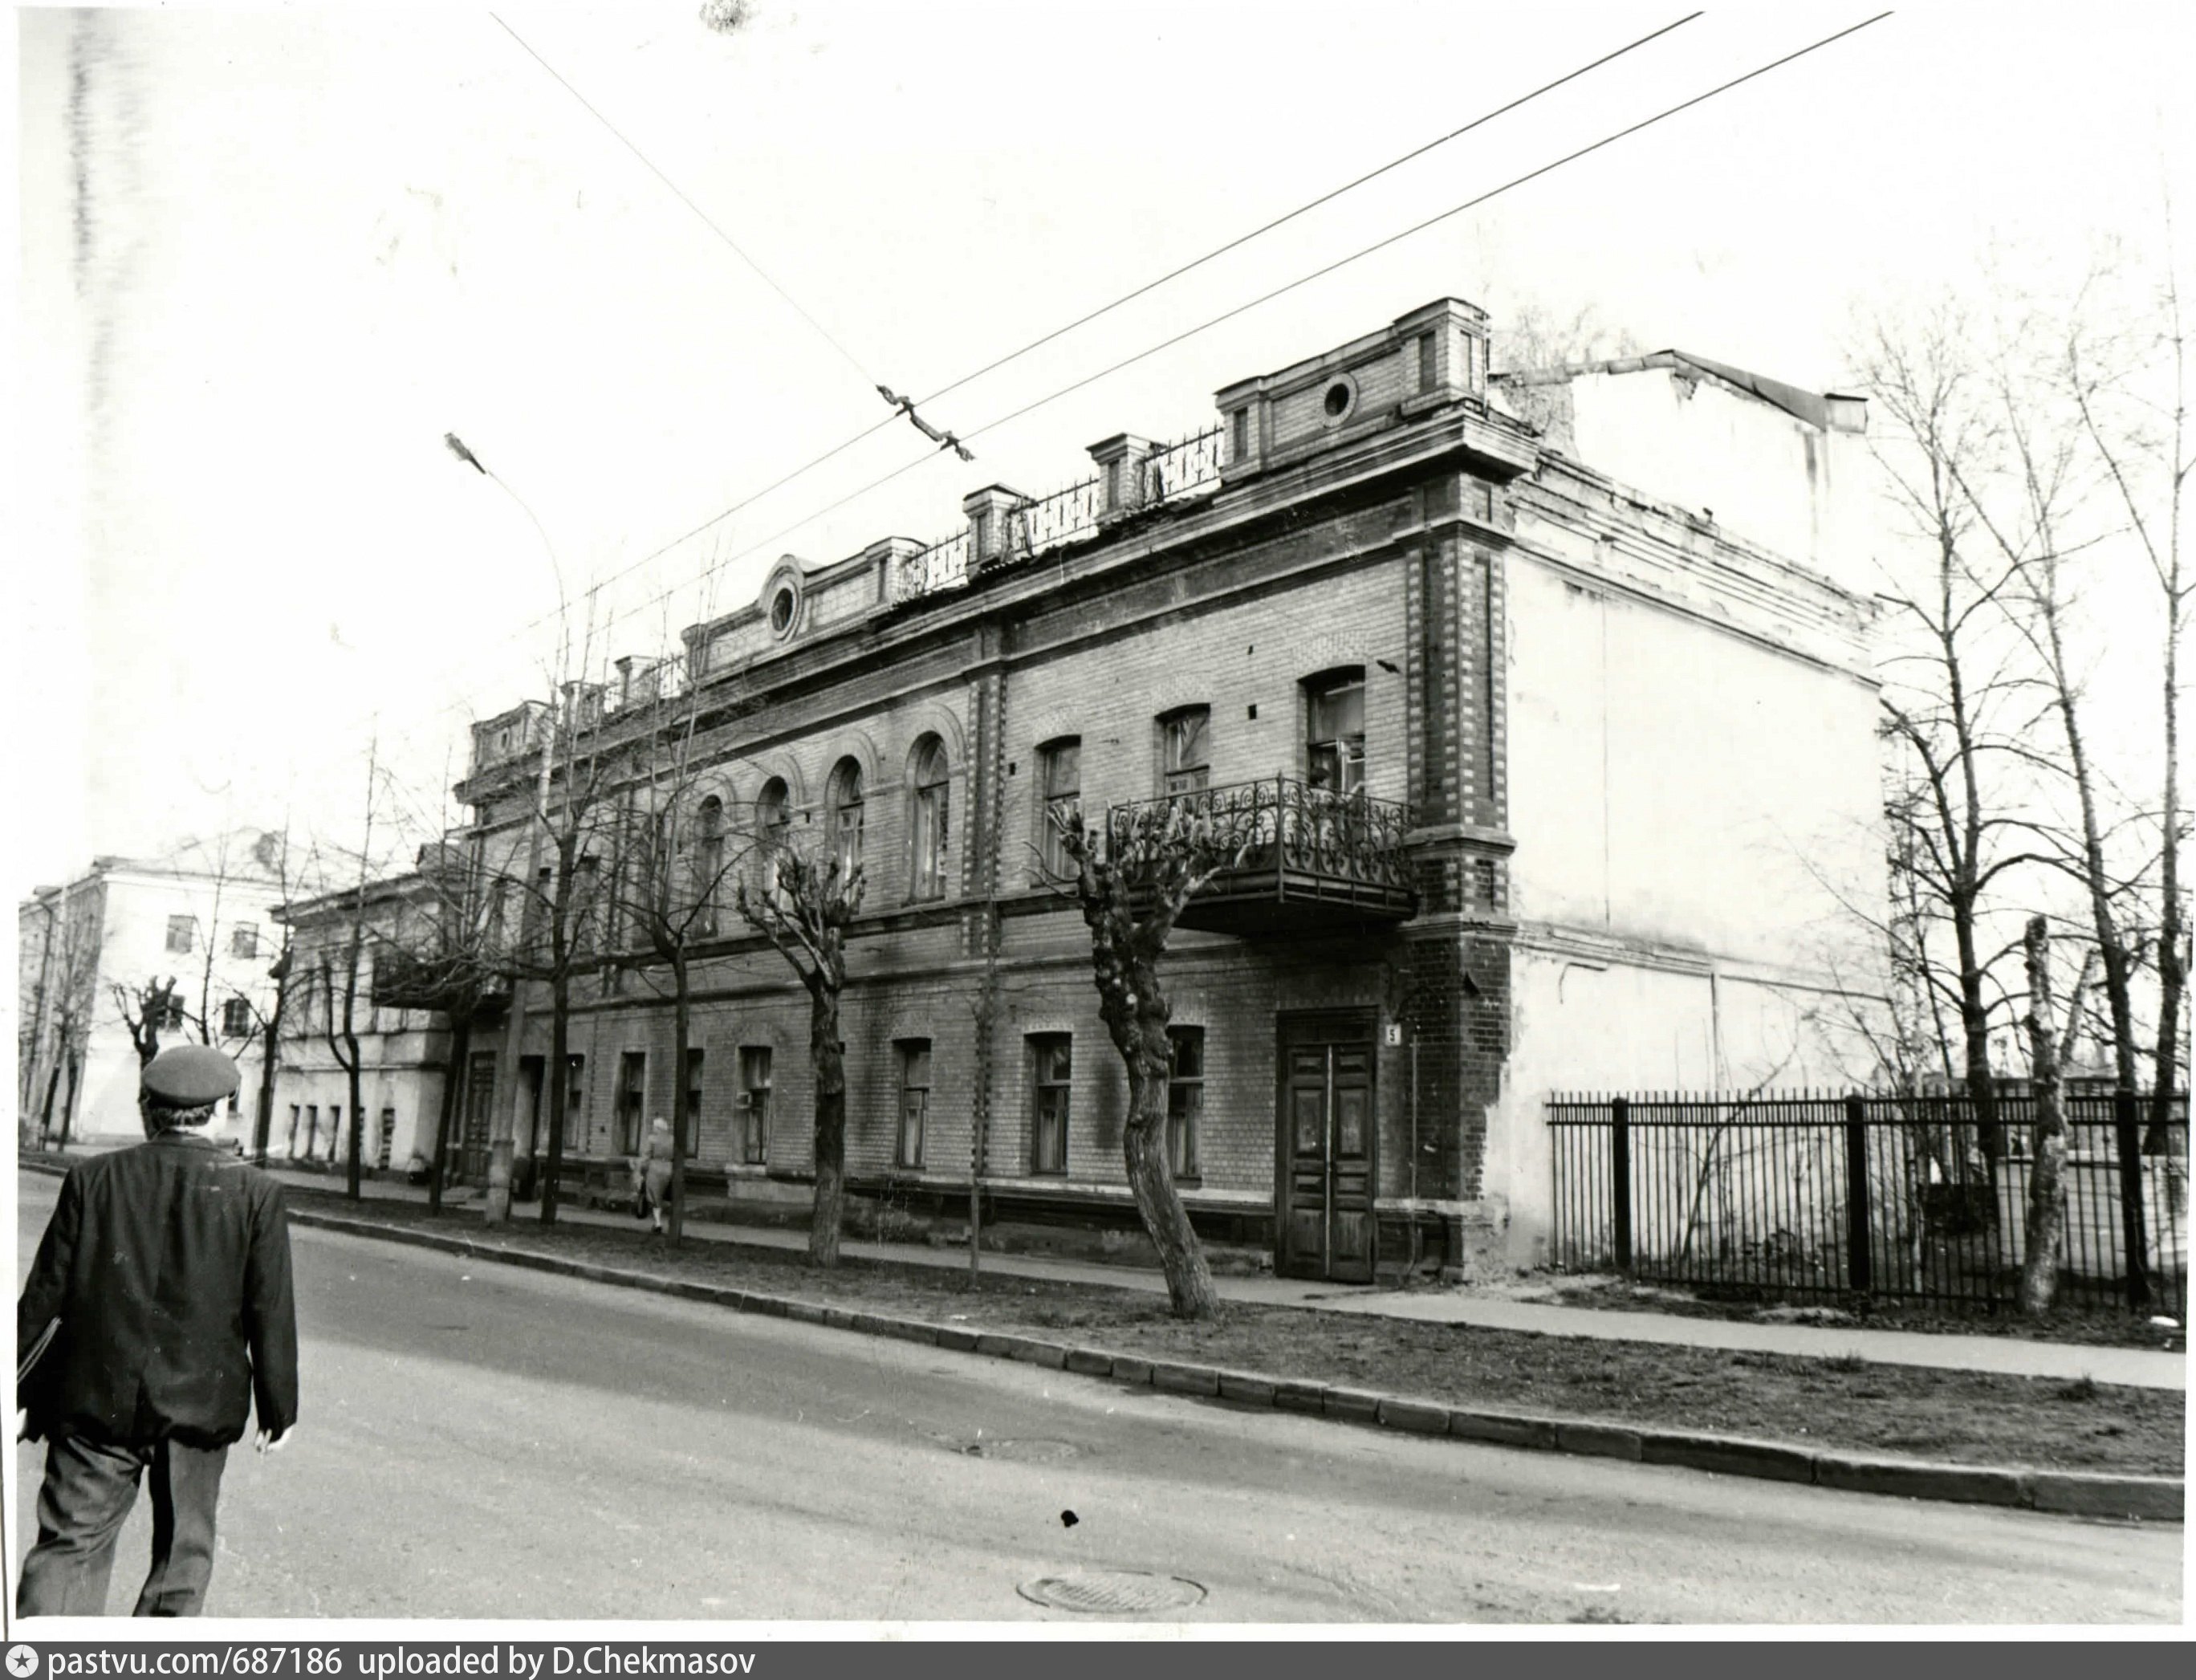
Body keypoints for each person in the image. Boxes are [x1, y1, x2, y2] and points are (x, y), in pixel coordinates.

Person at [15, 1043, 299, 1617]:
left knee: (70, 1548)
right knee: (180, 1561)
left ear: (147, 1107)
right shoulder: (255, 1193)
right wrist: (278, 1408)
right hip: (197, 1410)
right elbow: (269, 1308)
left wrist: (13, 1388)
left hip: (94, 1404)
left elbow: (44, 1297)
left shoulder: (93, 1178)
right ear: (220, 1111)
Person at [640, 1116, 677, 1235]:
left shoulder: (652, 1139)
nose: (653, 1129)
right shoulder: (672, 1139)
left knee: (655, 1197)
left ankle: (658, 1223)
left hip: (655, 1168)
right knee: (668, 1195)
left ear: (657, 1128)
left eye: (654, 1127)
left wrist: (642, 1170)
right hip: (669, 1168)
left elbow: (646, 1157)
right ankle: (672, 1222)